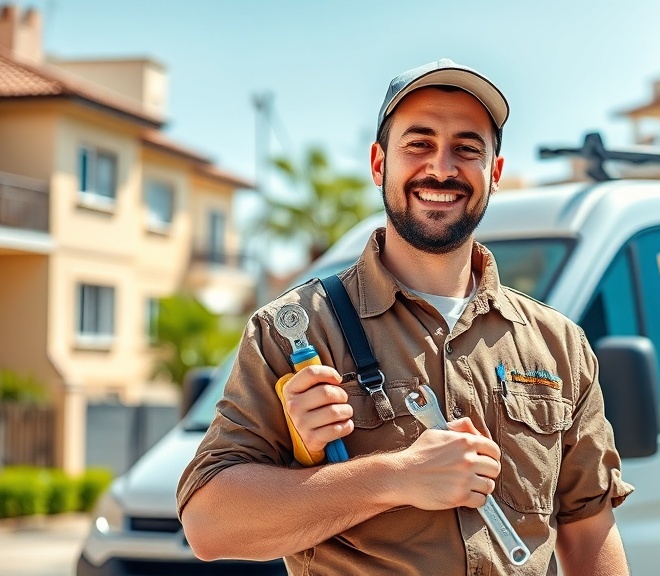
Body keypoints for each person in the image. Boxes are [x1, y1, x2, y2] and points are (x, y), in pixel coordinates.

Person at [177, 58, 633, 575]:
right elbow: (209, 523)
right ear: (379, 164)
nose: (442, 168)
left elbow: (589, 530)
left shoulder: (559, 346)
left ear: (495, 174)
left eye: (467, 148)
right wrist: (398, 476)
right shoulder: (298, 330)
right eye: (418, 144)